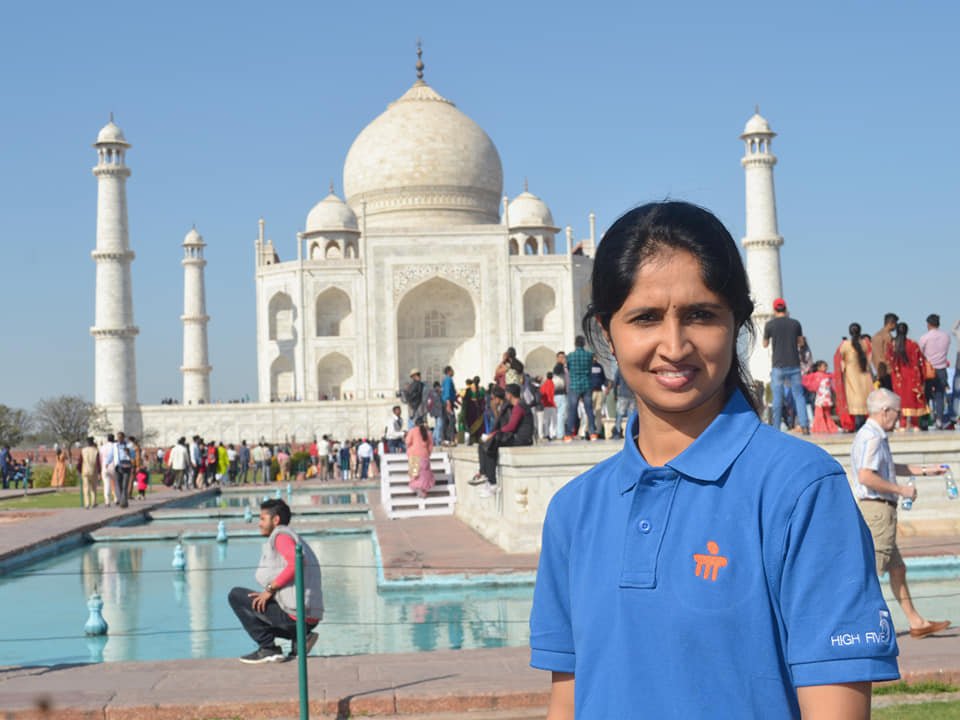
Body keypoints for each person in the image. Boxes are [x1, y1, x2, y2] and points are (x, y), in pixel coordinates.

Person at [530, 201, 897, 719]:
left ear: (738, 325)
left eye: (701, 315)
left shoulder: (799, 490)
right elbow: (567, 701)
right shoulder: (575, 511)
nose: (674, 345)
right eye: (645, 318)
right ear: (605, 334)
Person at [850, 388, 951, 639]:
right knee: (871, 572)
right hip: (878, 512)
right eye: (897, 412)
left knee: (897, 569)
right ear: (885, 411)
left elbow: (888, 468)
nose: (899, 417)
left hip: (879, 512)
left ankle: (916, 622)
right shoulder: (872, 437)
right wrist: (901, 490)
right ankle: (861, 628)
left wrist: (927, 471)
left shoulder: (873, 435)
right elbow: (866, 476)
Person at [227, 499, 323, 663]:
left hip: (296, 616)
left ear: (276, 520)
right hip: (308, 617)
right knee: (255, 599)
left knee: (236, 595)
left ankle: (268, 648)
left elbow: (296, 563)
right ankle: (301, 639)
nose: (259, 524)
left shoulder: (281, 536)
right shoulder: (294, 537)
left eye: (262, 519)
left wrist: (270, 590)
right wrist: (269, 595)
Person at [472, 383, 534, 497]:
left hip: (521, 440)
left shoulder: (519, 407)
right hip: (518, 438)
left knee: (491, 443)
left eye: (506, 393)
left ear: (510, 395)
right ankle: (486, 477)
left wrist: (493, 434)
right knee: (485, 445)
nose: (505, 395)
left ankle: (492, 482)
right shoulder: (517, 405)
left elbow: (511, 426)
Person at [762, 297, 810, 435]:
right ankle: (805, 426)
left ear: (774, 309)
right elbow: (801, 343)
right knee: (798, 396)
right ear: (785, 308)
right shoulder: (795, 323)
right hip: (794, 364)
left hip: (778, 365)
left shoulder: (770, 325)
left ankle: (776, 428)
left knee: (777, 397)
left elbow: (764, 344)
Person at [887, 322, 928, 431]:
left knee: (901, 400)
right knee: (914, 400)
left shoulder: (892, 345)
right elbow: (921, 362)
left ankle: (902, 424)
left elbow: (890, 362)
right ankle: (915, 425)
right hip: (913, 377)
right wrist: (922, 377)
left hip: (899, 378)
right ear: (907, 331)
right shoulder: (913, 344)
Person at [834, 323, 874, 431]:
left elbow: (839, 358)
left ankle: (857, 426)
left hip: (852, 376)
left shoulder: (846, 344)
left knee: (855, 402)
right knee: (864, 401)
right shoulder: (865, 343)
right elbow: (870, 358)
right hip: (864, 375)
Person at [919, 313, 951, 429]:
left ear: (928, 324)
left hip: (928, 370)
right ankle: (939, 420)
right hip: (942, 368)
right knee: (939, 395)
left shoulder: (925, 337)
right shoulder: (946, 336)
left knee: (926, 396)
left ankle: (925, 420)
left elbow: (921, 353)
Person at [562, 337, 597, 441]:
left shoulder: (570, 356)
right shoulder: (589, 355)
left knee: (572, 410)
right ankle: (592, 433)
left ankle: (568, 434)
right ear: (584, 343)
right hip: (587, 385)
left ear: (575, 344)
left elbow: (568, 369)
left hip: (574, 386)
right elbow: (590, 367)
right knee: (589, 410)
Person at [802, 360, 839, 434]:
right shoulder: (816, 375)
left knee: (827, 414)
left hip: (827, 398)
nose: (825, 368)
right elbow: (806, 379)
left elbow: (835, 377)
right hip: (820, 398)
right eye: (823, 366)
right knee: (819, 413)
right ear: (818, 367)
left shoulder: (828, 375)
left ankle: (827, 427)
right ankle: (820, 427)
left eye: (826, 366)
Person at [405, 419, 436, 498]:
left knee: (414, 475)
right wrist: (428, 454)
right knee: (424, 475)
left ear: (415, 424)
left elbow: (407, 442)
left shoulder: (412, 431)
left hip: (414, 455)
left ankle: (418, 490)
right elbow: (430, 445)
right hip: (424, 455)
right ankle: (423, 491)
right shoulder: (428, 432)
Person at [872, 313, 899, 391]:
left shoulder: (879, 336)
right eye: (895, 324)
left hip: (884, 371)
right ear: (891, 323)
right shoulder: (883, 337)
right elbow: (880, 356)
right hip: (886, 372)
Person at [80, 437, 100, 508]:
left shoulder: (83, 450)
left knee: (86, 488)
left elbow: (80, 461)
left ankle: (87, 503)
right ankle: (94, 502)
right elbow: (98, 463)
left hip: (85, 470)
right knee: (93, 487)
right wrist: (99, 472)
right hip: (93, 470)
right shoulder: (96, 451)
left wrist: (79, 470)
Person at [539, 372, 557, 440]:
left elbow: (541, 393)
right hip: (552, 404)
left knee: (546, 420)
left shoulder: (544, 384)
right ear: (552, 376)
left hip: (546, 404)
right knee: (553, 420)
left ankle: (546, 433)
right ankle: (553, 434)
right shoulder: (553, 384)